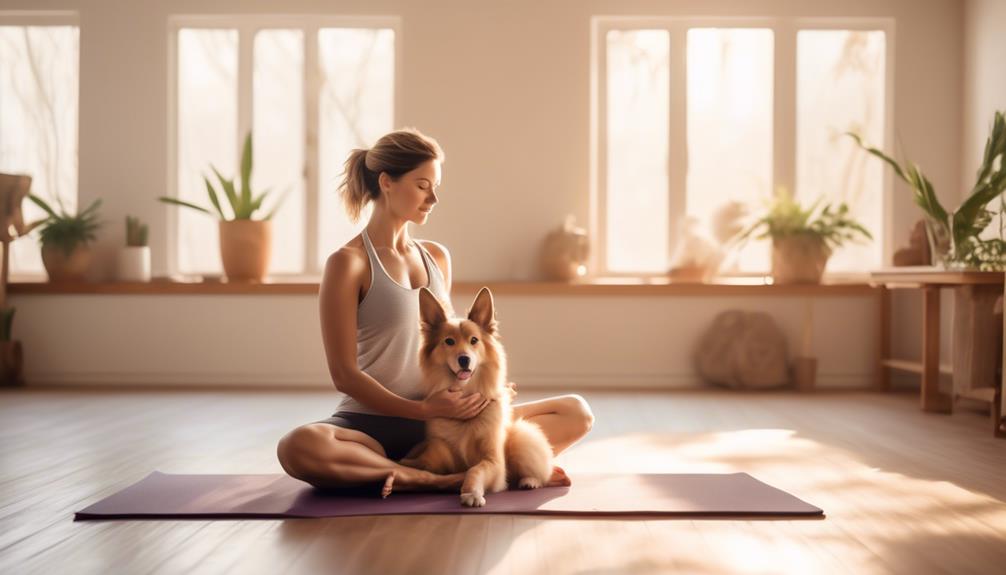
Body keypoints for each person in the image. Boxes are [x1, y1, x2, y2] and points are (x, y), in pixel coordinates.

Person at [276, 128, 594, 493]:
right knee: (297, 447)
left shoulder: (437, 257)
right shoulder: (347, 264)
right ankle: (424, 477)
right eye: (423, 185)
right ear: (387, 183)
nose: (433, 198)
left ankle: (388, 473)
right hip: (372, 425)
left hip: (448, 424)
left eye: (435, 186)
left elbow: (447, 344)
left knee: (575, 412)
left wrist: (481, 388)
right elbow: (344, 375)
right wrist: (422, 411)